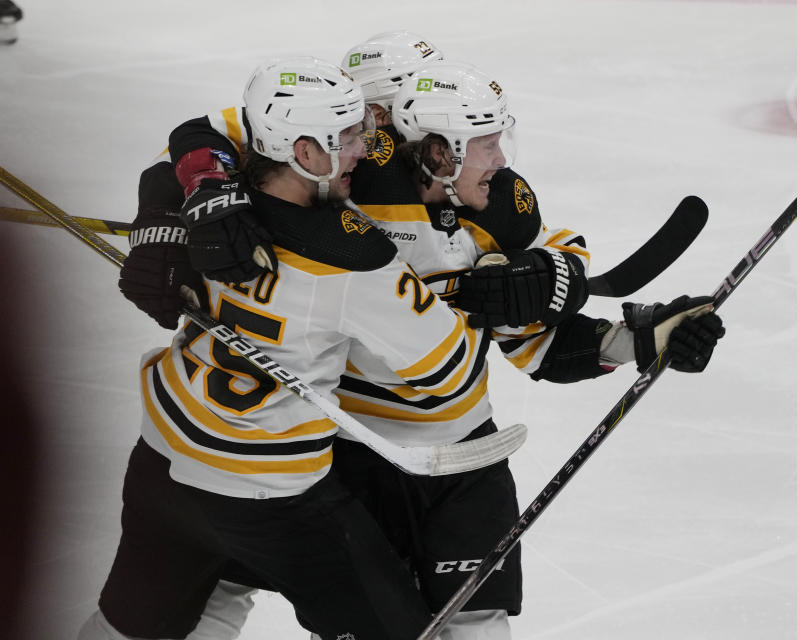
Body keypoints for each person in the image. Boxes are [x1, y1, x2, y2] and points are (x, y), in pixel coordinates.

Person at [119, 42, 725, 640]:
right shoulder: (336, 187)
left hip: (454, 459)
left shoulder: (491, 200)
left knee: (475, 625)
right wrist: (176, 214)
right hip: (348, 449)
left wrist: (608, 324)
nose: (372, 131)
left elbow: (534, 328)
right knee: (241, 594)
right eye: (365, 117)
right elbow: (203, 135)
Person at [81, 55, 516, 640]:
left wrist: (165, 223)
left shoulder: (217, 206)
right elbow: (453, 373)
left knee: (127, 627)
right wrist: (489, 287)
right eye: (348, 136)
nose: (364, 150)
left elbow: (192, 144)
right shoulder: (355, 259)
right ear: (306, 152)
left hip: (161, 462)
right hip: (271, 499)